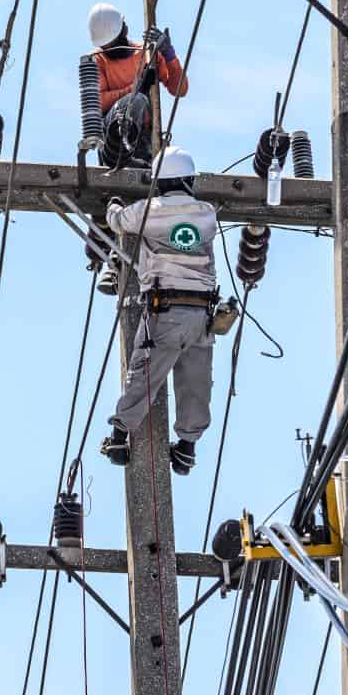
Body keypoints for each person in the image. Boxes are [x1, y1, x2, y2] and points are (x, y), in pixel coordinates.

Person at [97, 146, 217, 476]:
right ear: (189, 180)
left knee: (145, 372)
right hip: (202, 315)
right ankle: (187, 449)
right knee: (197, 382)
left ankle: (121, 436)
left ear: (158, 183)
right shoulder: (207, 213)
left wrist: (113, 203)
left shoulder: (148, 211)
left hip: (165, 310)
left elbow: (120, 222)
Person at [83, 2, 188, 168]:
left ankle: (142, 159)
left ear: (124, 30)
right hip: (113, 137)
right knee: (137, 99)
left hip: (147, 139)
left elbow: (180, 89)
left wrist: (169, 55)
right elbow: (97, 102)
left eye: (113, 42)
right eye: (106, 46)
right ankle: (124, 150)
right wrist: (136, 88)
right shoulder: (96, 60)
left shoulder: (146, 54)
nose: (110, 49)